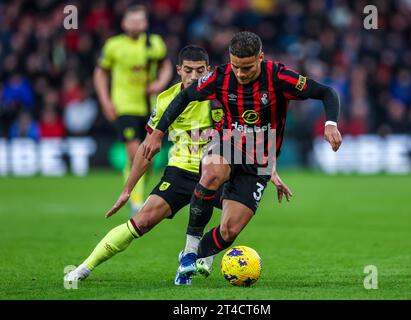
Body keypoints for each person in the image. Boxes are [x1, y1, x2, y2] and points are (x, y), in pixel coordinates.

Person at [64, 45, 292, 285]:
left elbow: (252, 135)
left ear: (208, 71)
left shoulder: (222, 94)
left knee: (231, 224)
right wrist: (128, 189)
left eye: (200, 71)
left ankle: (197, 256)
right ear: (178, 70)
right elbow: (148, 147)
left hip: (221, 171)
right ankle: (84, 268)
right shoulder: (166, 100)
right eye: (188, 70)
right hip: (180, 171)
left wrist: (270, 171)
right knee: (142, 221)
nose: (194, 77)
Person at [143, 31, 342, 285]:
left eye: (247, 67)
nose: (241, 73)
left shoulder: (278, 76)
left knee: (228, 231)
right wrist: (158, 132)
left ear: (260, 57)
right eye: (236, 66)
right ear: (230, 59)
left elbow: (326, 92)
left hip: (260, 159)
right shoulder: (220, 77)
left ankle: (192, 257)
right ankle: (191, 249)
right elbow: (184, 97)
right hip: (227, 143)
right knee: (212, 173)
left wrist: (330, 123)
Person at [94, 5, 173, 214]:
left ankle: (136, 193)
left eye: (140, 21)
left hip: (151, 106)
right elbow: (100, 73)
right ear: (124, 23)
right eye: (132, 21)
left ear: (146, 23)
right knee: (134, 153)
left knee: (150, 156)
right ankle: (136, 201)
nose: (136, 24)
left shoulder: (155, 43)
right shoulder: (114, 46)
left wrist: (160, 83)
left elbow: (167, 66)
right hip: (125, 105)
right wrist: (105, 101)